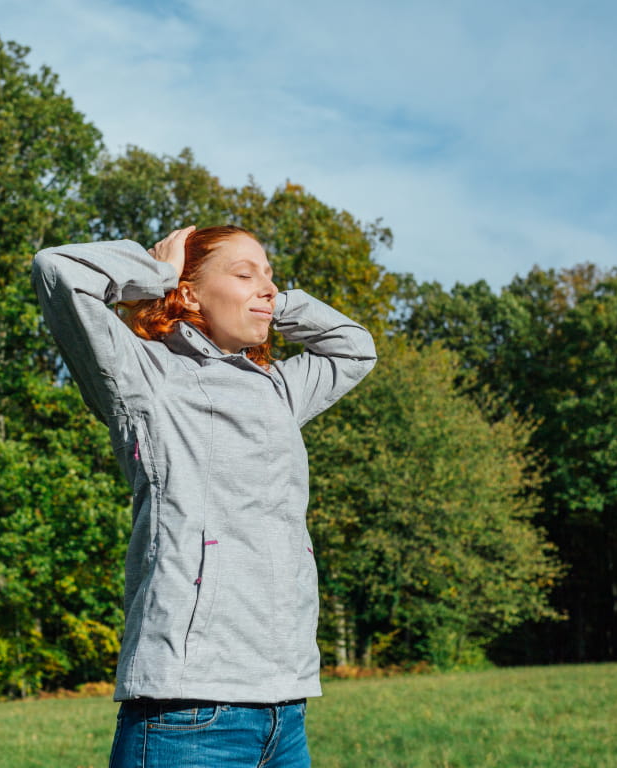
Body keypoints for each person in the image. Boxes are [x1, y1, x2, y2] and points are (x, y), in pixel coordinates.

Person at [32, 225, 376, 768]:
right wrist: (159, 275)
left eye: (270, 274)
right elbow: (59, 271)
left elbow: (354, 350)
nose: (266, 285)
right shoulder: (146, 377)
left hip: (285, 713)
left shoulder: (278, 389)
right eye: (244, 273)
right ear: (190, 294)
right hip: (187, 715)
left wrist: (269, 302)